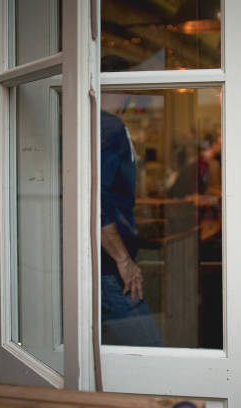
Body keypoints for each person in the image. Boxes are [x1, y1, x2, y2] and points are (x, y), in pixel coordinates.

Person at [100, 93, 162, 347]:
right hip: (112, 271)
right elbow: (95, 197)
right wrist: (123, 260)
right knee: (151, 357)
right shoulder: (110, 126)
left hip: (104, 268)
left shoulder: (101, 125)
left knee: (110, 359)